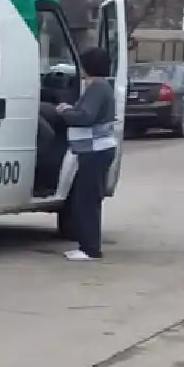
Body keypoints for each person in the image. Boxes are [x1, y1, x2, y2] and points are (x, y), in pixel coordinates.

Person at [56, 47, 117, 261]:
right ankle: (86, 246)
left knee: (86, 200)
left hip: (95, 151)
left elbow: (85, 116)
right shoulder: (100, 87)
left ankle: (90, 249)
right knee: (87, 199)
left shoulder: (97, 87)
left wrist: (65, 112)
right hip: (96, 150)